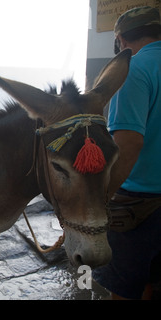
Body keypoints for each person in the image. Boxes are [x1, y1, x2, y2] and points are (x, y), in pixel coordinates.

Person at [92, 6, 161, 300]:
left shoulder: (131, 69)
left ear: (119, 39)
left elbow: (128, 144)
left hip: (139, 204)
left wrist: (99, 199)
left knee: (123, 288)